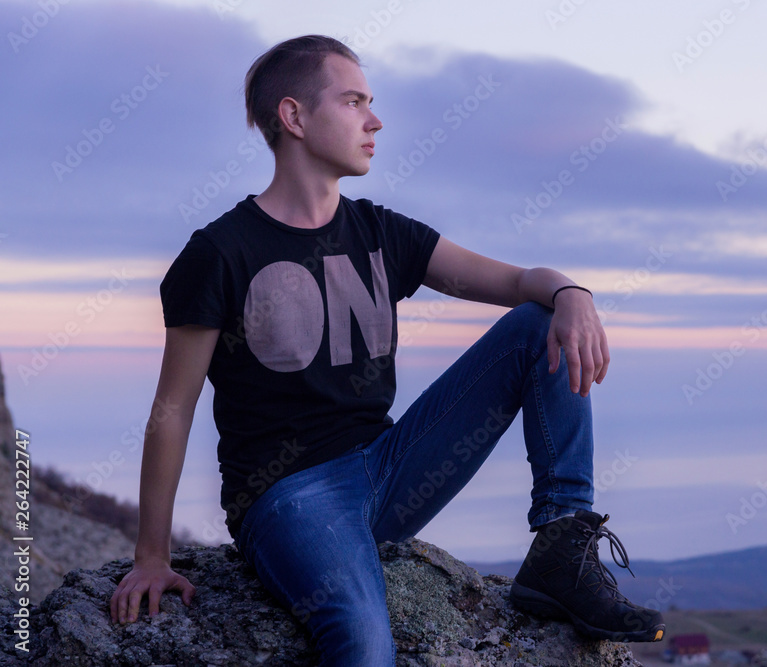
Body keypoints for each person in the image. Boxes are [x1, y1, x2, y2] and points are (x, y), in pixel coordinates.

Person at [109, 34, 664, 665]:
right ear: (293, 117)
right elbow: (171, 411)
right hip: (290, 497)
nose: (375, 121)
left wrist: (572, 293)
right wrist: (150, 557)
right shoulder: (219, 253)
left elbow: (514, 285)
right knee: (366, 643)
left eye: (370, 102)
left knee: (539, 323)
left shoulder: (380, 232)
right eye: (352, 102)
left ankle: (562, 546)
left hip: (389, 466)